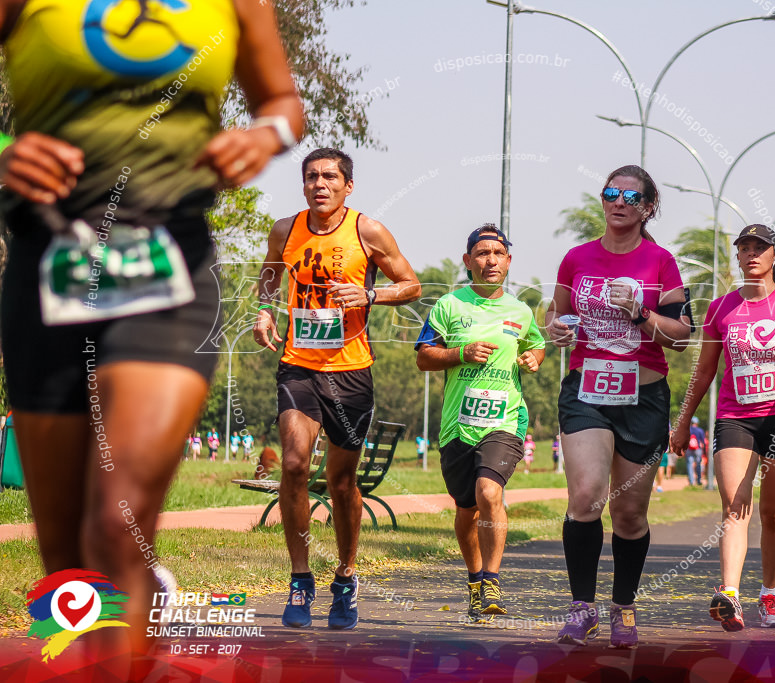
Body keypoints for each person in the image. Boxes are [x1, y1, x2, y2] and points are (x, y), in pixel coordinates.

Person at [0, 0, 303, 658]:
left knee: (116, 522)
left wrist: (263, 136)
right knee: (64, 561)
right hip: (48, 268)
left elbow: (281, 100)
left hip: (169, 267)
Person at [254, 147, 420, 630]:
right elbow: (269, 273)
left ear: (349, 185)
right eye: (311, 177)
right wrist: (265, 308)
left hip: (350, 370)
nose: (319, 184)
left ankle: (346, 578)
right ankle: (300, 579)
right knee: (293, 464)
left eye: (330, 177)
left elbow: (411, 284)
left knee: (344, 482)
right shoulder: (285, 229)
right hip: (298, 364)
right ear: (303, 185)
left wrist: (370, 293)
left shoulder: (367, 231)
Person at [547, 165, 691, 648]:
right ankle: (581, 606)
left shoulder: (661, 262)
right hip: (587, 391)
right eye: (612, 193)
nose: (620, 201)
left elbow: (681, 336)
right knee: (587, 496)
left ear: (648, 207)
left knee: (629, 513)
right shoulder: (576, 258)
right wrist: (558, 329)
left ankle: (623, 607)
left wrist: (642, 312)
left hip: (643, 397)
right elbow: (555, 314)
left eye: (632, 196)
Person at [670, 223, 775, 631]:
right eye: (744, 248)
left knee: (773, 514)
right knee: (735, 507)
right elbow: (703, 372)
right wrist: (683, 422)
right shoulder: (720, 308)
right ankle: (729, 595)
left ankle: (768, 595)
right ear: (737, 256)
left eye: (760, 248)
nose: (751, 254)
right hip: (736, 417)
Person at [415, 224, 545, 622]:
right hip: (458, 424)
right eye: (483, 253)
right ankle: (474, 581)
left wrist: (533, 360)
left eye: (498, 253)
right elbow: (423, 356)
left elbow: (537, 344)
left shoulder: (521, 312)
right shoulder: (448, 306)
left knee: (489, 492)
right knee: (466, 506)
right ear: (468, 261)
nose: (491, 260)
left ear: (508, 262)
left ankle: (491, 580)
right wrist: (460, 353)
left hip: (505, 419)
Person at [686, 417, 707, 487]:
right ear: (697, 423)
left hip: (689, 449)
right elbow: (703, 441)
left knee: (689, 464)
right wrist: (704, 451)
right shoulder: (700, 430)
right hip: (698, 449)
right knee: (698, 464)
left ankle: (691, 481)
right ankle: (698, 480)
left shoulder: (688, 429)